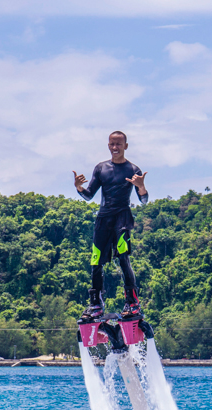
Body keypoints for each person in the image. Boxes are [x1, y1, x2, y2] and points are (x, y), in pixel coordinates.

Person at [73, 130, 148, 321]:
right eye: (112, 144)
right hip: (103, 219)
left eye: (119, 144)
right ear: (108, 145)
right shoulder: (100, 168)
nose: (115, 148)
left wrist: (141, 187)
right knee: (96, 261)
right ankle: (96, 303)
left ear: (126, 146)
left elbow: (144, 200)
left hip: (122, 218)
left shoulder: (133, 170)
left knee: (123, 258)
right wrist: (79, 188)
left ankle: (132, 302)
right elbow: (89, 195)